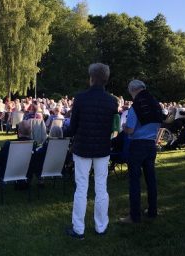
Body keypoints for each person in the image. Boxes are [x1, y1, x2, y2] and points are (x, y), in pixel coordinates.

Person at [64, 63, 118, 240]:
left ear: (91, 78)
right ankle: (101, 227)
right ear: (105, 79)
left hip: (83, 148)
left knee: (81, 188)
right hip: (102, 148)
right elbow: (112, 127)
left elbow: (73, 128)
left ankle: (79, 229)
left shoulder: (81, 98)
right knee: (101, 188)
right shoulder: (112, 101)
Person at [120, 80, 164, 224]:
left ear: (133, 90)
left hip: (137, 145)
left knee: (134, 181)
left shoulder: (136, 107)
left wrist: (124, 127)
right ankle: (153, 210)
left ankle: (134, 216)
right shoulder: (155, 105)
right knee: (151, 179)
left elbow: (131, 130)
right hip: (151, 144)